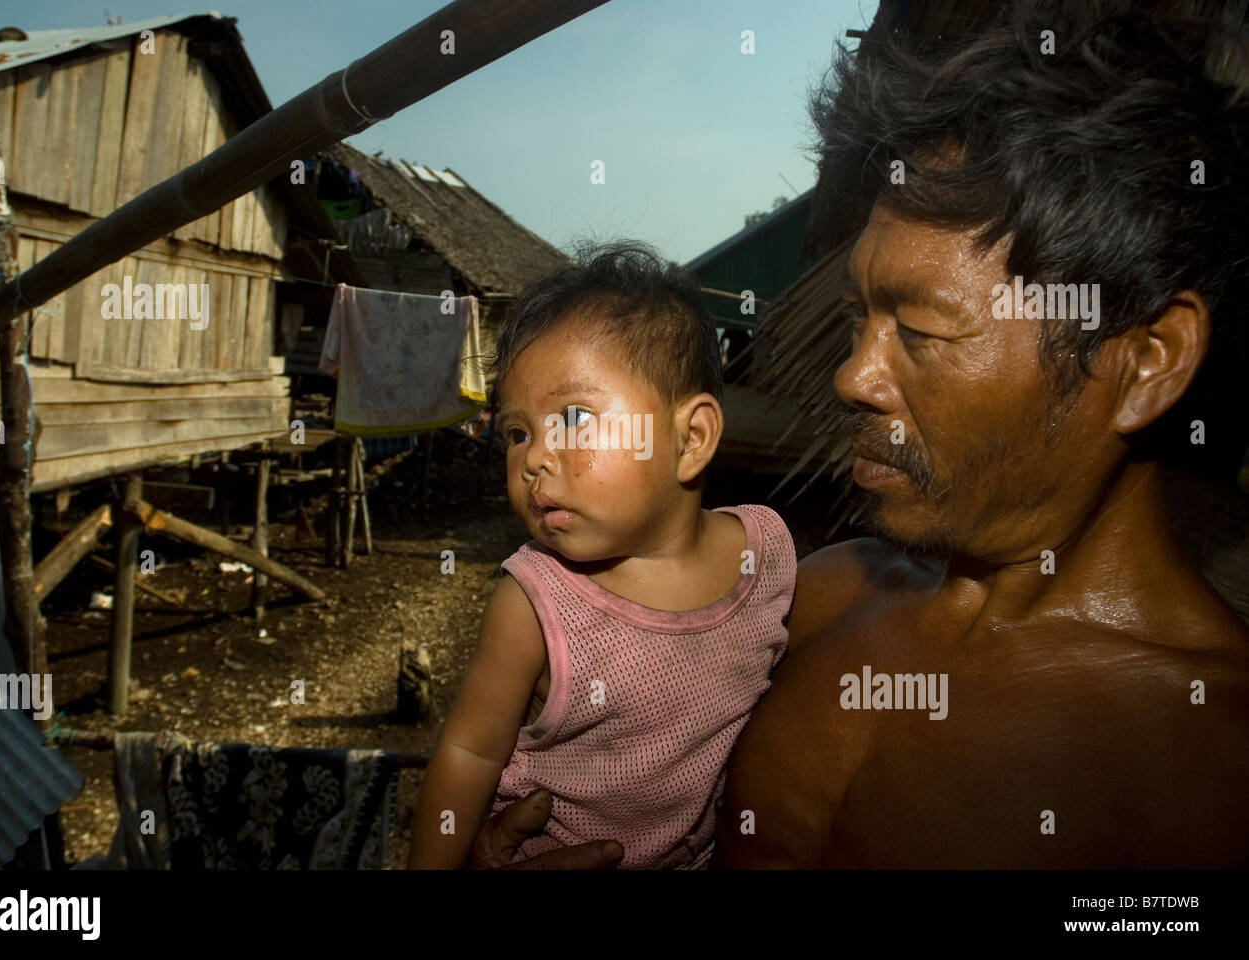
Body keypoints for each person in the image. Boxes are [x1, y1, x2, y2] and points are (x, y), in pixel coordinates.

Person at [469, 0, 1249, 869]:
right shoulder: (800, 603)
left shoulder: (1210, 770)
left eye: (920, 332)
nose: (851, 376)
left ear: (1145, 362)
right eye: (858, 320)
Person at [407, 242, 796, 869]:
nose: (532, 458)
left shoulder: (767, 556)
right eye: (517, 432)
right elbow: (469, 753)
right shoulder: (536, 602)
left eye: (572, 418)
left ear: (690, 438)